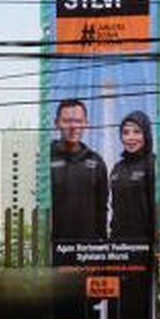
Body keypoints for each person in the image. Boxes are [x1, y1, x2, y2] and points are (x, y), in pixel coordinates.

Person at [50, 99, 108, 239]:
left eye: (78, 121)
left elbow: (102, 208)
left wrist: (101, 242)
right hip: (54, 246)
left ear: (86, 124)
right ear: (56, 123)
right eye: (67, 121)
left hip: (87, 249)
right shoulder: (46, 159)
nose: (73, 126)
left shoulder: (96, 162)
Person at [109, 111, 155, 241]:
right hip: (119, 245)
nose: (131, 137)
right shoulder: (117, 168)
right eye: (125, 133)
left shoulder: (153, 164)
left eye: (136, 132)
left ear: (146, 134)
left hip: (146, 243)